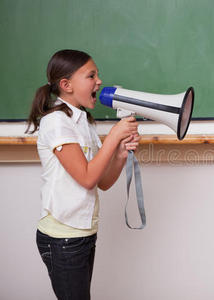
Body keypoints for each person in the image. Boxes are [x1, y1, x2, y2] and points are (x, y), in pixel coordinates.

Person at [26, 49, 140, 299]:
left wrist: (120, 152)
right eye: (91, 76)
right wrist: (114, 136)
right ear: (66, 85)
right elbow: (86, 177)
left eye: (97, 75)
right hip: (63, 238)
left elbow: (103, 182)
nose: (99, 81)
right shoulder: (57, 122)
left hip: (83, 234)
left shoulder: (84, 122)